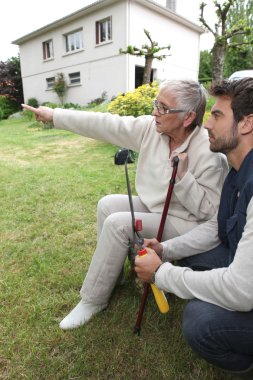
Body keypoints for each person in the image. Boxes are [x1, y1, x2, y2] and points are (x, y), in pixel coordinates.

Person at [22, 79, 228, 331]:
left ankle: (93, 299)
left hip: (185, 222)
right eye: (156, 103)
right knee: (107, 205)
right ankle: (114, 276)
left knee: (118, 223)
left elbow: (208, 213)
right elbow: (106, 124)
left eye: (163, 108)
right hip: (156, 206)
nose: (155, 112)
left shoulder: (209, 153)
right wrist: (55, 115)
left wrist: (184, 178)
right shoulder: (151, 129)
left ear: (188, 118)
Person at [135, 77, 253, 379]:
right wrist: (166, 249)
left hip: (247, 287)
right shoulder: (237, 170)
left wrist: (162, 274)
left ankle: (243, 367)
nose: (207, 125)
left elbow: (241, 291)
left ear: (246, 124)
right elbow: (216, 227)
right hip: (241, 263)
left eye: (216, 115)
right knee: (188, 255)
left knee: (201, 320)